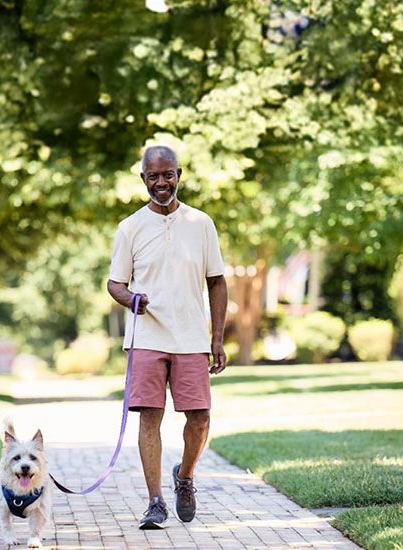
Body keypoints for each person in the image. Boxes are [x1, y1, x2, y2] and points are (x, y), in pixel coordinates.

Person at [104, 145, 229, 530]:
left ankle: (185, 477)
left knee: (201, 418)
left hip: (192, 337)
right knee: (150, 420)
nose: (162, 183)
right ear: (143, 179)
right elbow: (115, 283)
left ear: (179, 174)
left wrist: (218, 337)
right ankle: (155, 501)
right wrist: (131, 300)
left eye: (168, 174)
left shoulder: (201, 223)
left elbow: (217, 281)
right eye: (153, 177)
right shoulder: (130, 228)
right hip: (147, 339)